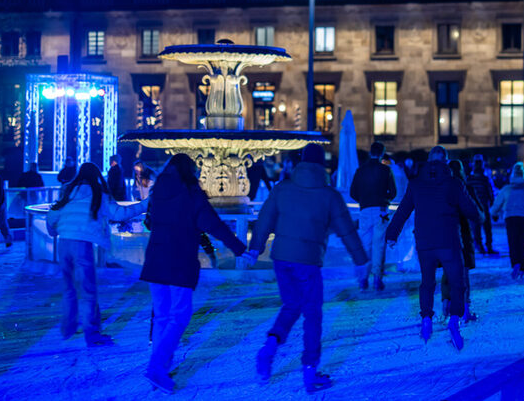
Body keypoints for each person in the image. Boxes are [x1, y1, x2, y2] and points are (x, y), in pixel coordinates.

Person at [246, 144, 366, 393]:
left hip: (281, 259)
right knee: (312, 314)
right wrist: (361, 261)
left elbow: (265, 219)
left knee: (291, 305)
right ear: (322, 165)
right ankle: (310, 372)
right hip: (308, 262)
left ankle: (268, 348)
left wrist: (255, 248)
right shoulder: (329, 195)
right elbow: (347, 230)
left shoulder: (283, 189)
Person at [139, 154, 246, 393]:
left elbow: (151, 222)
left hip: (155, 261)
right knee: (179, 316)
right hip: (179, 263)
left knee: (162, 317)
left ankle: (160, 366)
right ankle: (156, 368)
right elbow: (214, 224)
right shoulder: (191, 193)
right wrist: (239, 248)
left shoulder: (158, 193)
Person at [385, 146, 481, 350]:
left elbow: (402, 211)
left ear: (429, 161)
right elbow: (472, 211)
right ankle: (454, 321)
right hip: (449, 242)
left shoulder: (416, 183)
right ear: (446, 161)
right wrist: (477, 214)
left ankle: (426, 320)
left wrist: (391, 234)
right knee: (457, 282)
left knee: (427, 282)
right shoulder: (454, 183)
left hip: (425, 243)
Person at [45, 163, 148, 348]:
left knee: (69, 288)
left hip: (64, 243)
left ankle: (67, 329)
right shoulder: (98, 193)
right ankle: (92, 335)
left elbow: (52, 214)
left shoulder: (68, 192)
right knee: (88, 290)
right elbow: (119, 213)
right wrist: (146, 204)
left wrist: (53, 231)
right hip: (82, 244)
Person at [349, 140, 397, 291]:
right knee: (379, 244)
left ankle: (363, 278)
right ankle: (377, 277)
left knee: (365, 244)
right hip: (381, 209)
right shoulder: (385, 170)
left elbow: (352, 193)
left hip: (365, 209)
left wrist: (363, 201)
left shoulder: (360, 170)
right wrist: (386, 199)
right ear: (382, 153)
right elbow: (393, 191)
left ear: (370, 152)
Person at [444, 159, 483, 321]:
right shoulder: (466, 188)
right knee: (464, 272)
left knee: (448, 271)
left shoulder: (442, 189)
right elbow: (477, 212)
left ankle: (447, 304)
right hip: (464, 234)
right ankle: (465, 310)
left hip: (445, 234)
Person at [491, 162, 524, 279]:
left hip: (511, 217)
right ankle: (522, 267)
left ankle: (515, 264)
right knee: (522, 241)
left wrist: (494, 213)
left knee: (512, 242)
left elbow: (498, 203)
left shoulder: (507, 189)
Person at [467, 154, 498, 254]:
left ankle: (480, 246)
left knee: (476, 228)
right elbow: (490, 193)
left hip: (473, 207)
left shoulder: (469, 179)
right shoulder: (485, 179)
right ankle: (487, 246)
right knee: (486, 228)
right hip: (483, 206)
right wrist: (493, 205)